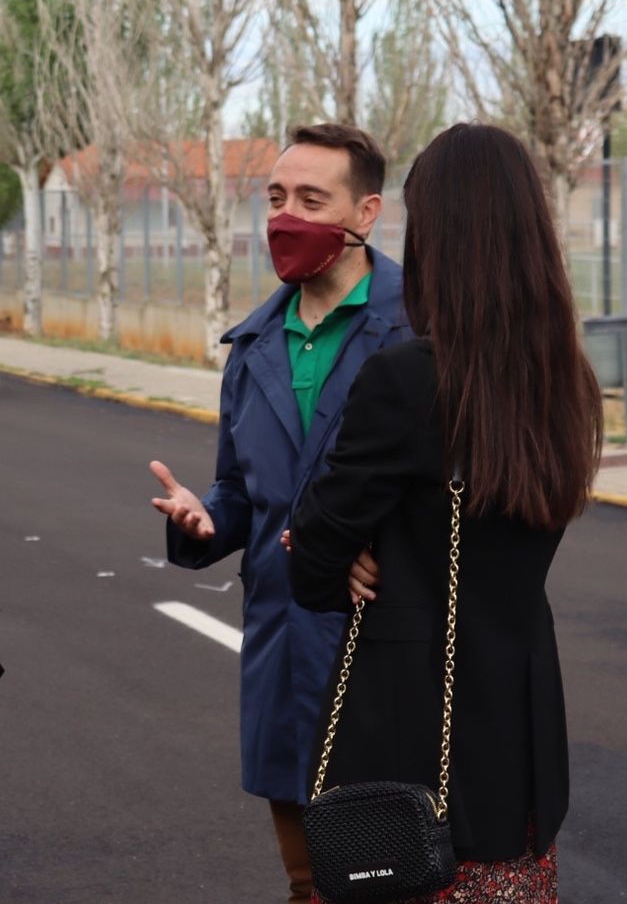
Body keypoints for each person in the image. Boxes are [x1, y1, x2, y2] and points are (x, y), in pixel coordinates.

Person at [288, 123, 603, 901]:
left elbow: (314, 559)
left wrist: (348, 551)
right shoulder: (565, 379)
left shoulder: (408, 379)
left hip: (415, 742)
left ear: (438, 239)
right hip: (520, 738)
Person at [149, 124, 411, 903]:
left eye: (310, 199)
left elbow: (460, 486)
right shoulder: (256, 343)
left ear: (366, 213)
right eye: (275, 198)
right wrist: (204, 516)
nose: (285, 217)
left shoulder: (421, 327)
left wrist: (383, 547)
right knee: (306, 879)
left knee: (384, 874)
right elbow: (241, 489)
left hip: (381, 638)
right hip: (282, 634)